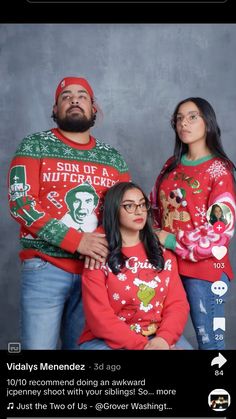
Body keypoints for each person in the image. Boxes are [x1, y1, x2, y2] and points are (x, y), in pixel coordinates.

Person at [8, 76, 130, 349]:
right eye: (66, 96)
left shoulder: (113, 158)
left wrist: (99, 246)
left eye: (82, 96)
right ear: (55, 109)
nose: (74, 99)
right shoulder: (34, 145)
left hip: (96, 273)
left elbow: (122, 211)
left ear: (94, 109)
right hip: (45, 266)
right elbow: (21, 203)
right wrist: (78, 241)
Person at [150, 97, 235, 350]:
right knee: (158, 337)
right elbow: (155, 208)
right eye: (179, 118)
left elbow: (220, 234)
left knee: (209, 344)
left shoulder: (220, 171)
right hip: (165, 266)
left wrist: (171, 239)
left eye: (192, 116)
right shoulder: (171, 165)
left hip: (204, 272)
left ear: (207, 122)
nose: (183, 123)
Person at [79, 181, 191, 350]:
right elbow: (99, 318)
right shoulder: (98, 254)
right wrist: (143, 347)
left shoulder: (162, 251)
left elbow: (177, 303)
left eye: (142, 204)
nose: (139, 211)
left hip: (158, 337)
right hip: (107, 340)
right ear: (114, 209)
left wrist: (163, 340)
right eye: (129, 206)